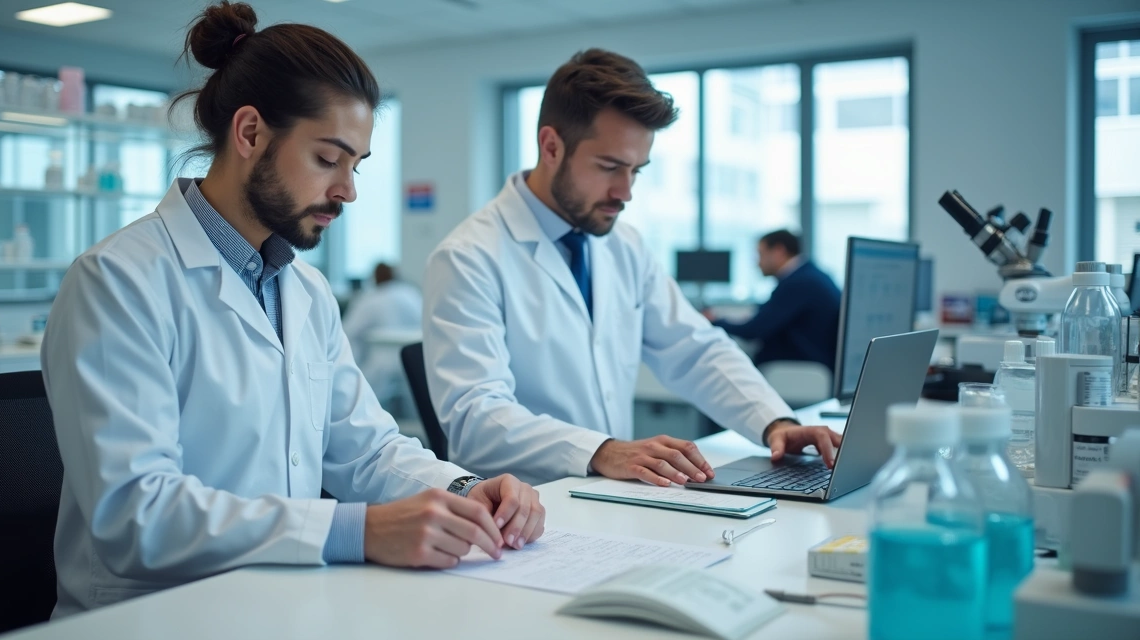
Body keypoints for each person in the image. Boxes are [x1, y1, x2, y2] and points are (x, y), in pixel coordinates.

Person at [41, 2, 543, 617]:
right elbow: (136, 513)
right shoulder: (118, 281)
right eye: (328, 159)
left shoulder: (304, 291)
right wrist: (353, 531)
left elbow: (367, 450)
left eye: (355, 166)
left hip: (290, 602)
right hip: (152, 616)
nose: (348, 191)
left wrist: (465, 489)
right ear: (249, 134)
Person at [421, 49, 842, 488]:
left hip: (609, 498)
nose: (625, 193)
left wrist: (775, 422)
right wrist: (604, 450)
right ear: (551, 146)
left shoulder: (624, 244)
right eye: (609, 167)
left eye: (637, 171)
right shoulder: (469, 257)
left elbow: (693, 348)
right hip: (524, 508)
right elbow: (476, 420)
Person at [708, 230, 842, 373]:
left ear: (779, 250)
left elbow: (753, 331)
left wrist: (715, 321)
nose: (758, 263)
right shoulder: (810, 275)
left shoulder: (799, 282)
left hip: (800, 369)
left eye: (761, 254)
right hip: (809, 365)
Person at [342, 263, 423, 410]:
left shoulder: (371, 299)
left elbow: (348, 331)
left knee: (363, 403)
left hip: (383, 360)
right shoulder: (411, 294)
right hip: (414, 361)